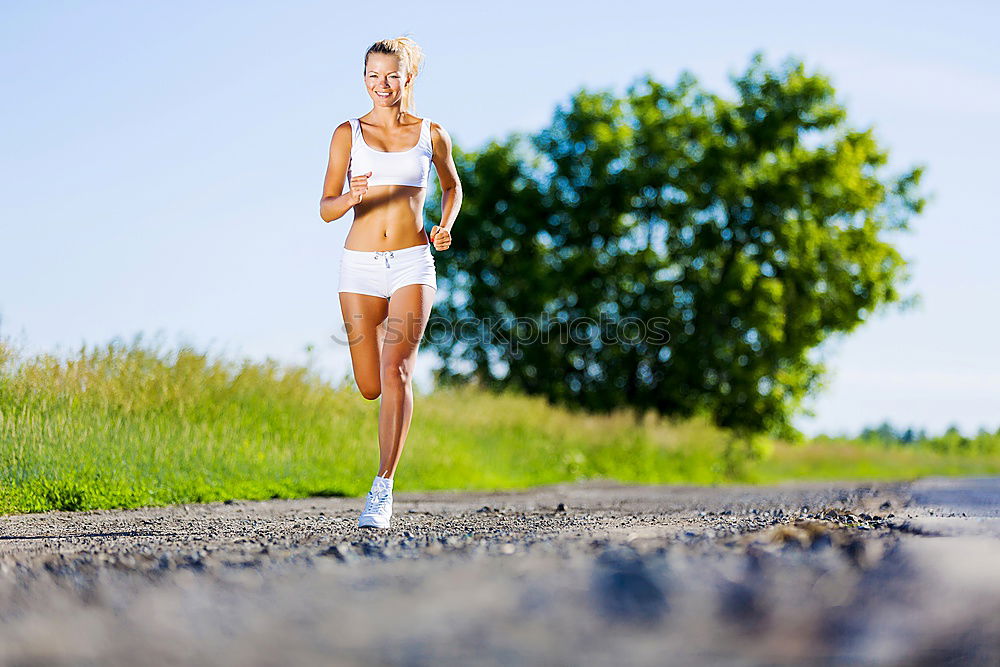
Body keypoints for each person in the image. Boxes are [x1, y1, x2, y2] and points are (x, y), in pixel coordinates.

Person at [319, 37, 463, 529]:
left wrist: (445, 224)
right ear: (364, 78)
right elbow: (325, 208)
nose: (382, 85)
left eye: (392, 76)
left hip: (412, 263)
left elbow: (451, 185)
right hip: (358, 266)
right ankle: (378, 374)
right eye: (373, 76)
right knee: (370, 385)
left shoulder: (431, 134)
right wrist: (350, 196)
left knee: (397, 370)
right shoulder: (347, 134)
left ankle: (382, 488)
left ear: (408, 78)